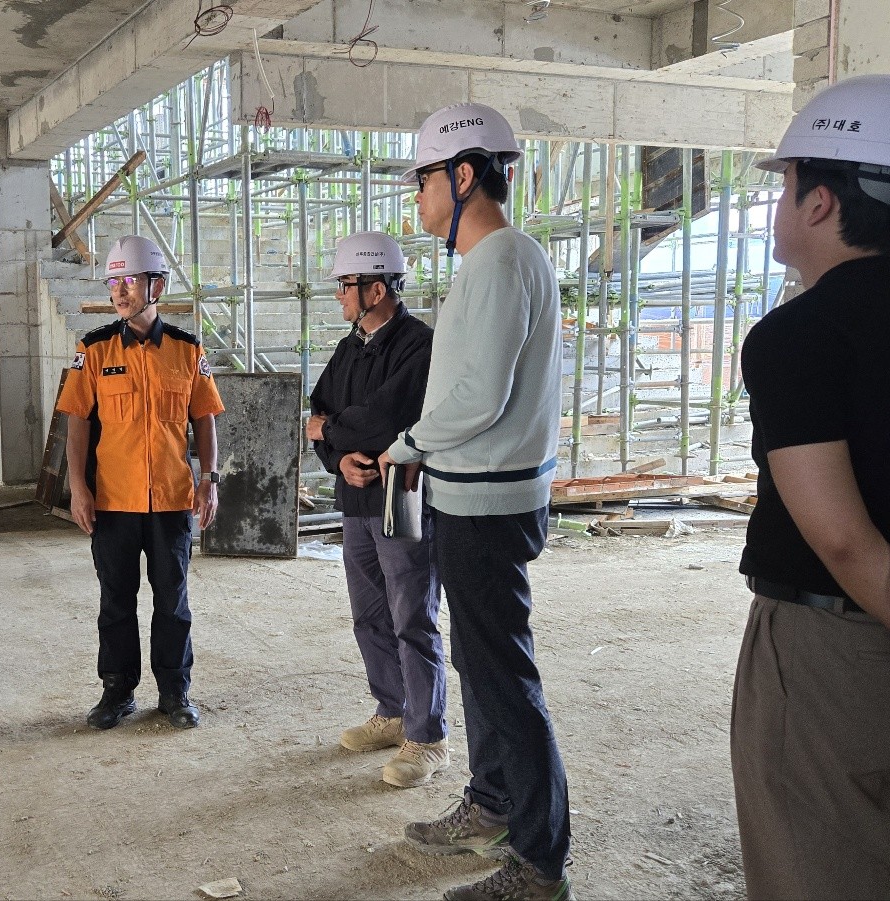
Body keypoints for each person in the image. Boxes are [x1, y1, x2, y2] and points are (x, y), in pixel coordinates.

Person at [731, 73, 890, 901]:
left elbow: (838, 533)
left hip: (833, 653)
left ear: (819, 202)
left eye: (787, 184)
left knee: (817, 867)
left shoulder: (794, 338)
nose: (780, 202)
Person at [377, 104, 573, 901]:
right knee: (482, 665)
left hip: (489, 506)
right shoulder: (492, 262)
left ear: (463, 175)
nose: (417, 196)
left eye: (423, 179)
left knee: (503, 677)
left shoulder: (500, 262)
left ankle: (539, 860)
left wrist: (408, 444)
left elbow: (478, 396)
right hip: (477, 497)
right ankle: (492, 804)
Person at [55, 235, 225, 731]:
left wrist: (209, 479)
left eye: (130, 281)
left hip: (171, 499)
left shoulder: (186, 350)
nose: (120, 291)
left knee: (172, 601)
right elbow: (77, 421)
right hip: (113, 501)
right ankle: (117, 690)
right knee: (116, 600)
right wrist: (79, 489)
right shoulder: (93, 350)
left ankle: (174, 692)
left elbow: (205, 419)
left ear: (157, 286)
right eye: (114, 282)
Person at [306, 230, 444, 787]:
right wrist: (338, 457)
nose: (339, 294)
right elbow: (318, 413)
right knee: (368, 613)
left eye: (346, 284)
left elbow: (385, 418)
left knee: (413, 615)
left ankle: (427, 737)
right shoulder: (350, 347)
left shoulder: (419, 345)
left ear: (377, 288)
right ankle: (392, 712)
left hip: (401, 496)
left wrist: (330, 432)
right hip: (356, 498)